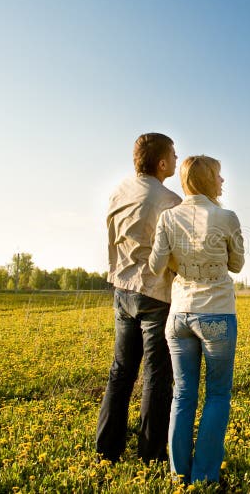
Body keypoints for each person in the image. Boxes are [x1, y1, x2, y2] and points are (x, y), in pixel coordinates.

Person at [149, 155, 244, 484]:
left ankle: (178, 475)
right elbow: (237, 265)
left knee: (183, 393)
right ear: (207, 180)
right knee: (217, 394)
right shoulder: (226, 217)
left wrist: (181, 259)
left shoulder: (167, 219)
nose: (222, 182)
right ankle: (204, 477)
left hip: (179, 315)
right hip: (217, 313)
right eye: (219, 176)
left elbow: (155, 266)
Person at [96, 132, 181, 463]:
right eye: (173, 155)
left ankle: (107, 449)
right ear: (161, 162)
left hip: (122, 289)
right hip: (156, 293)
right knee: (157, 376)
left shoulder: (119, 191)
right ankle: (150, 454)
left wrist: (116, 272)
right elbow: (176, 252)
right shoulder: (170, 201)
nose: (176, 159)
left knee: (121, 371)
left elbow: (110, 237)